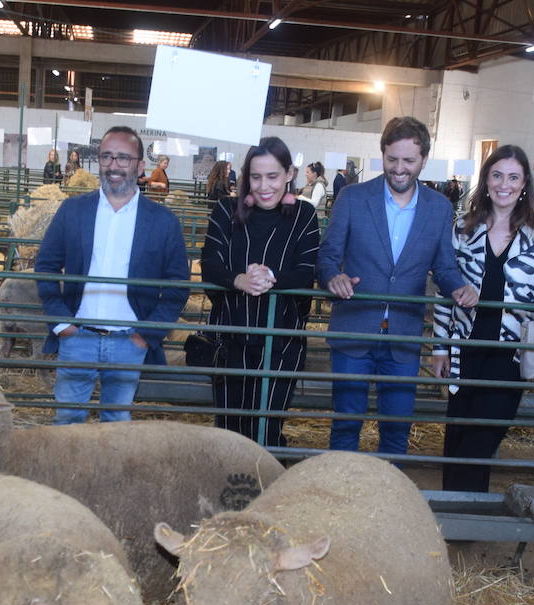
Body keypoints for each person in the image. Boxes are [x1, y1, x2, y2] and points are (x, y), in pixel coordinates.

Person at [430, 144, 534, 492]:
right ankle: (452, 514)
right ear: (485, 180)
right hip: (465, 347)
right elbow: (445, 288)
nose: (504, 184)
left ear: (525, 183)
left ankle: (464, 513)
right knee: (458, 434)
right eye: (497, 175)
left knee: (484, 436)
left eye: (513, 177)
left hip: (510, 350)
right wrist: (439, 346)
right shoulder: (462, 228)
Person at [317, 116, 474, 456]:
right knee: (345, 424)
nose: (399, 168)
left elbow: (444, 266)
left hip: (404, 334)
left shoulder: (439, 208)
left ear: (424, 161)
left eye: (409, 161)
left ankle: (390, 505)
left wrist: (458, 287)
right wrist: (333, 276)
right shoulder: (352, 198)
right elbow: (328, 254)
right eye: (392, 159)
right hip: (354, 328)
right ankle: (338, 502)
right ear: (382, 154)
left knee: (397, 429)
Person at [35, 125, 190, 424]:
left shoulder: (163, 221)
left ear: (140, 165)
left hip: (129, 341)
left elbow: (177, 285)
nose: (114, 166)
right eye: (107, 157)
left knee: (117, 424)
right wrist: (61, 323)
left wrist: (147, 334)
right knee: (67, 420)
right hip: (77, 336)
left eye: (123, 158)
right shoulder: (73, 210)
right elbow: (45, 266)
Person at [200, 137, 320, 447]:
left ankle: (268, 490)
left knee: (267, 425)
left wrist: (270, 277)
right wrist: (239, 279)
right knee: (229, 427)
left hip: (281, 340)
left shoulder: (303, 216)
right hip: (229, 336)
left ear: (289, 174)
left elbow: (307, 271)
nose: (264, 186)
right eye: (255, 177)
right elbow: (210, 263)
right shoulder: (226, 210)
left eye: (273, 176)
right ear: (246, 176)